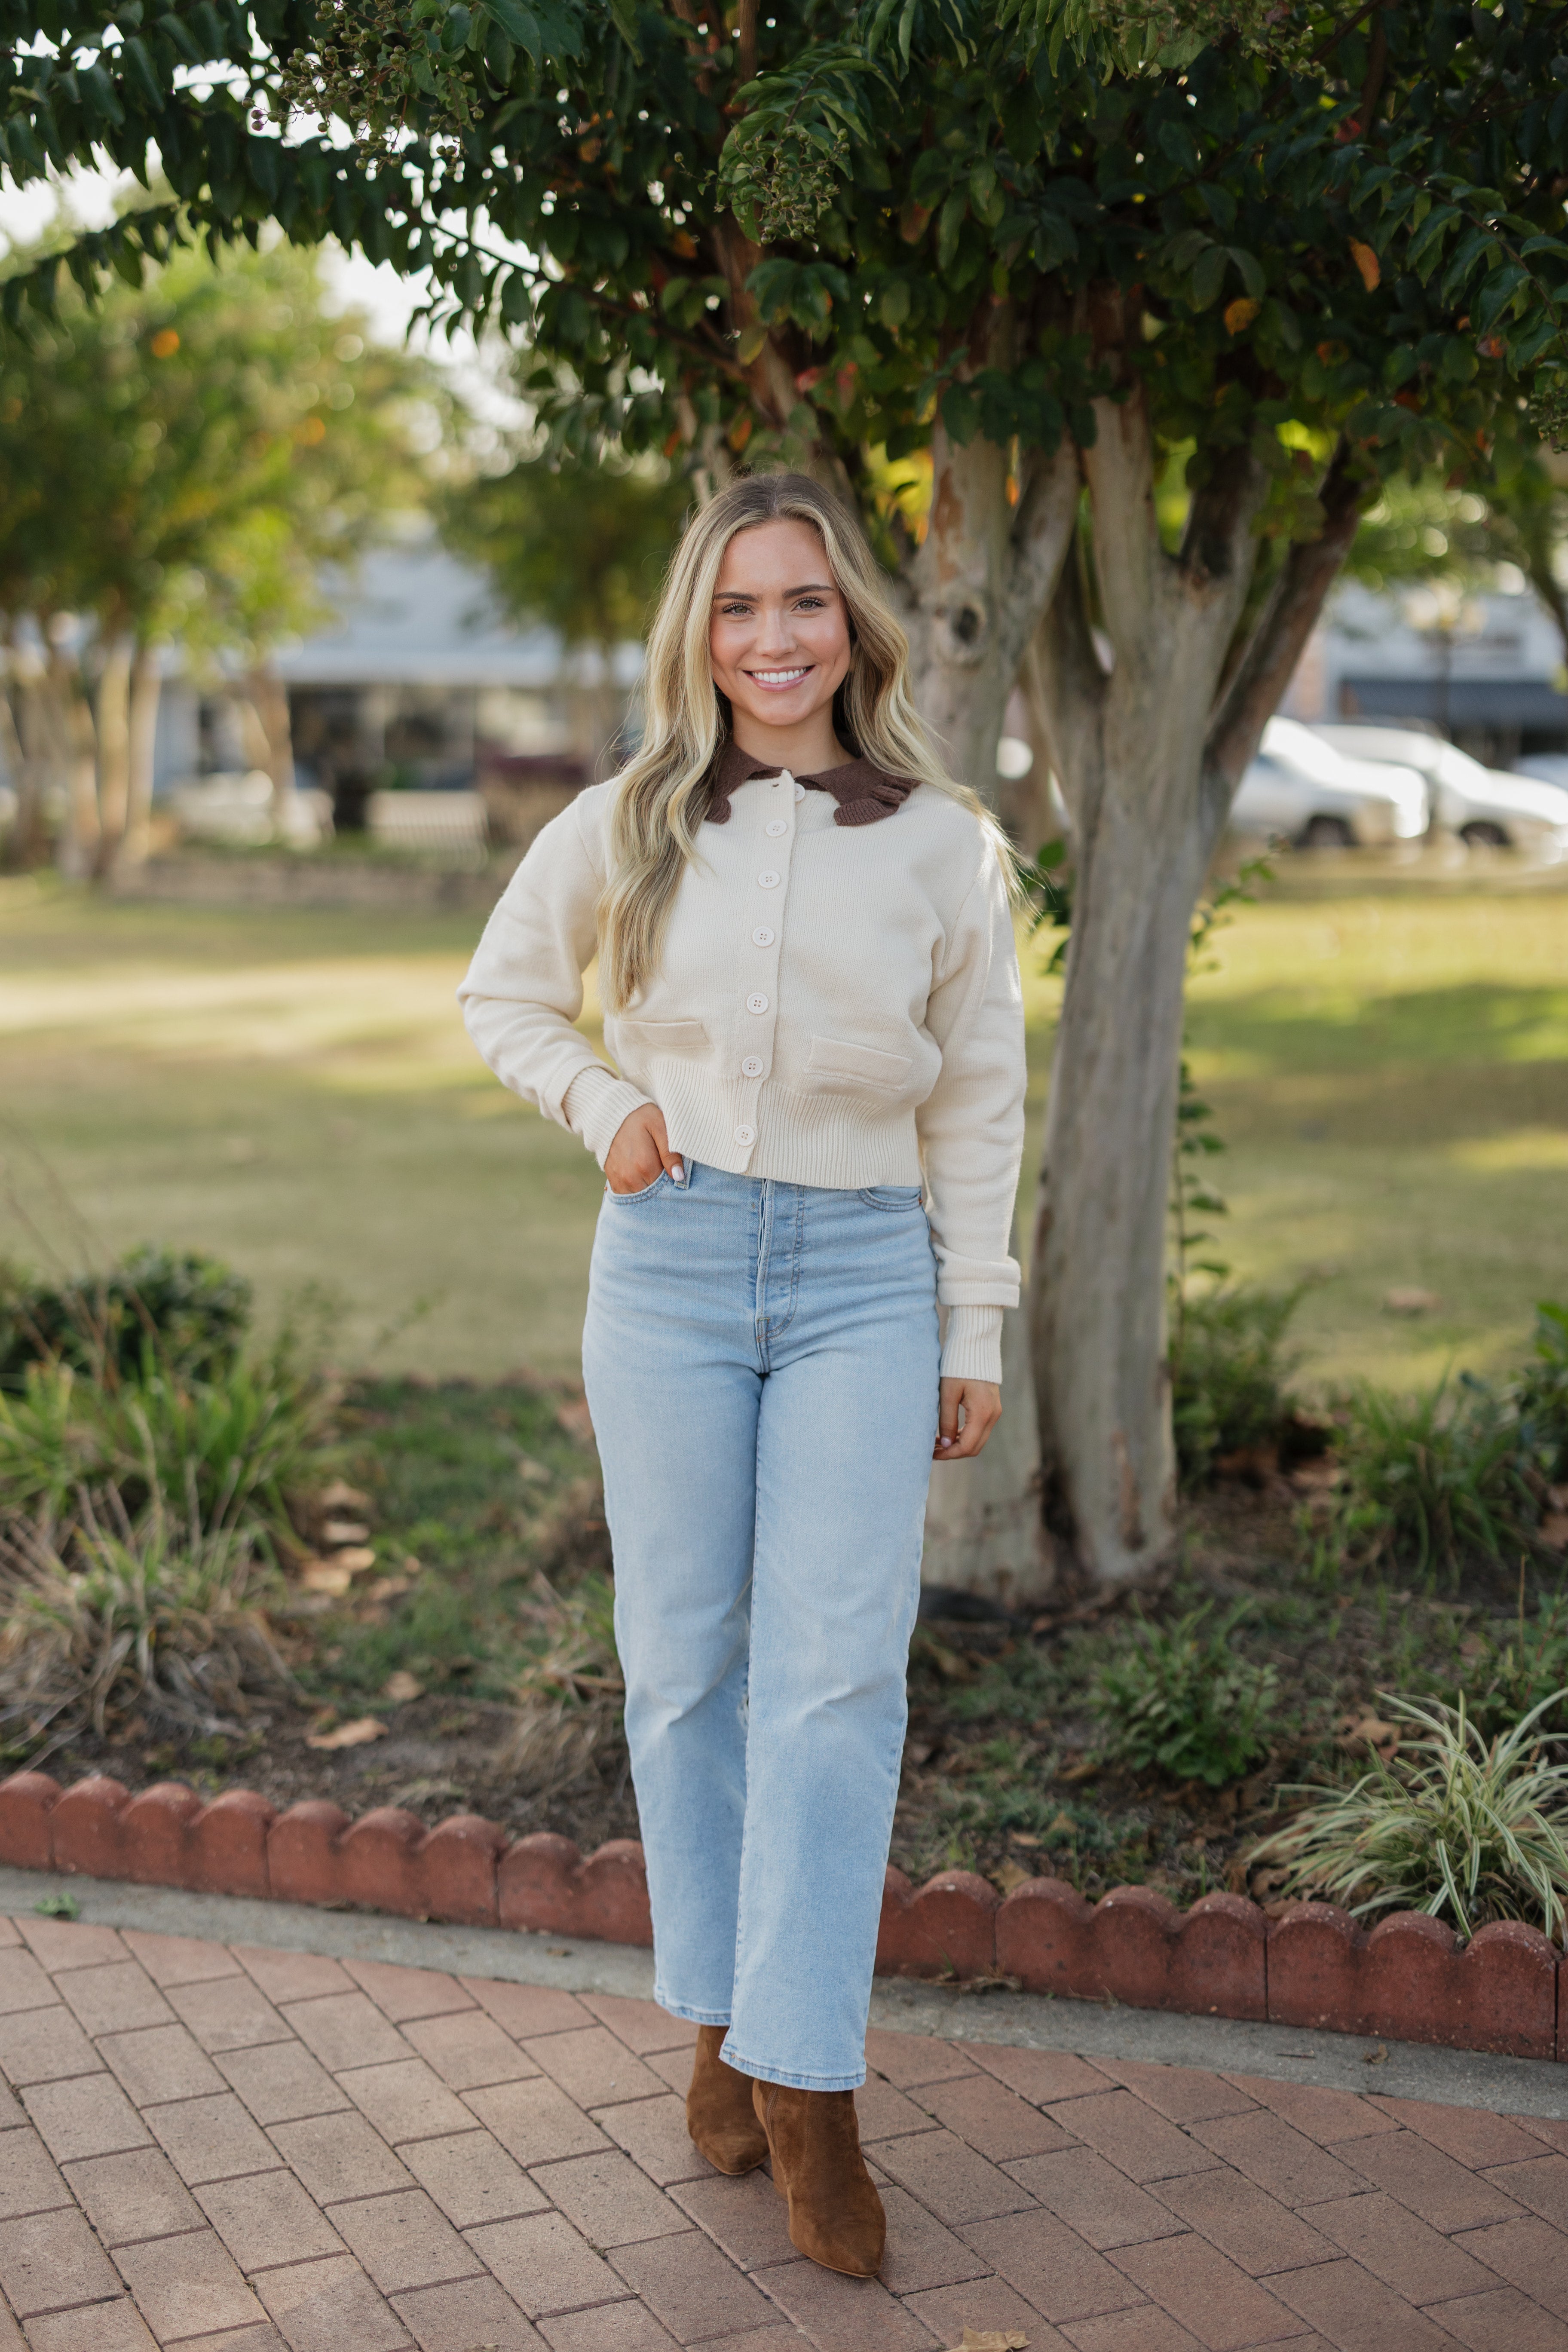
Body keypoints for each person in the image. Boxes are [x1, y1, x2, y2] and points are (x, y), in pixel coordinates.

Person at [459, 472, 1026, 2277]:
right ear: (695, 635)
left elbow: (979, 1095)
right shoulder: (629, 816)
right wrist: (610, 1110)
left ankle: (808, 2086)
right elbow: (504, 1000)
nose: (773, 640)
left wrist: (975, 1319)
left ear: (853, 622)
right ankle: (716, 2016)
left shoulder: (947, 841)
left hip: (867, 1273)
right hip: (676, 1265)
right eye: (737, 609)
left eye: (804, 604)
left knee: (838, 1678)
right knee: (684, 1668)